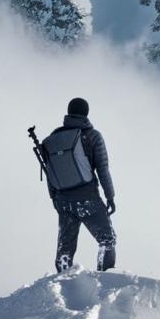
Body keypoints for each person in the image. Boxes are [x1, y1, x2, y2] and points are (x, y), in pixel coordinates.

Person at [46, 97, 117, 272]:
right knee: (107, 239)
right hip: (87, 198)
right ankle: (105, 278)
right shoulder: (93, 136)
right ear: (86, 113)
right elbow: (102, 169)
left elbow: (50, 172)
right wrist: (110, 196)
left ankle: (61, 280)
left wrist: (54, 199)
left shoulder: (54, 138)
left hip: (63, 200)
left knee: (65, 247)